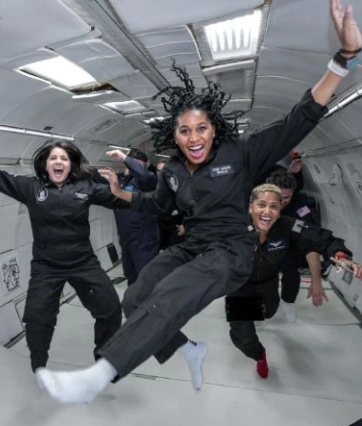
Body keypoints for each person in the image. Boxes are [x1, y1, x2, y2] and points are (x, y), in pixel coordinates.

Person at [34, 0, 361, 404]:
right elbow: (158, 206)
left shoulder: (240, 152)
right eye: (185, 130)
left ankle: (102, 372)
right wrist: (123, 195)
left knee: (173, 295)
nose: (194, 137)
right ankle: (189, 350)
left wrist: (344, 56)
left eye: (201, 128)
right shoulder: (172, 168)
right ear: (175, 135)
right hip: (193, 245)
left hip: (231, 249)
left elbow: (301, 116)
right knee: (135, 298)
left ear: (213, 128)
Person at [0, 140, 125, 382]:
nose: (59, 162)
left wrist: (128, 189)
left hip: (84, 263)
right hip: (47, 267)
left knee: (111, 308)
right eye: (53, 158)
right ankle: (39, 364)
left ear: (71, 165)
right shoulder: (31, 187)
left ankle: (105, 361)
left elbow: (127, 200)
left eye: (63, 158)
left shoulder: (86, 187)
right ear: (45, 164)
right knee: (36, 318)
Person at [167, 184, 361, 386]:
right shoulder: (232, 227)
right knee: (243, 336)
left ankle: (263, 311)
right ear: (250, 207)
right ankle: (259, 355)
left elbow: (322, 238)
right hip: (240, 286)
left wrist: (340, 256)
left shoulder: (288, 225)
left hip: (267, 282)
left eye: (274, 206)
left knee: (268, 313)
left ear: (279, 210)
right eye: (261, 205)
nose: (267, 211)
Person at [268, 168, 322, 321]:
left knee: (291, 273)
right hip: (264, 244)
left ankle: (288, 303)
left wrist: (316, 281)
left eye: (286, 197)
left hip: (289, 244)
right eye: (278, 196)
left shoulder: (301, 208)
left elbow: (311, 244)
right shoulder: (257, 201)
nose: (282, 201)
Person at [103, 148, 160, 286]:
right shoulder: (119, 179)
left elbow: (145, 176)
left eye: (137, 164)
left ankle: (151, 306)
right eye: (130, 163)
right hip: (126, 239)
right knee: (131, 276)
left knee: (147, 279)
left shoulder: (148, 181)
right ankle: (134, 305)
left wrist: (125, 158)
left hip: (145, 240)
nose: (132, 166)